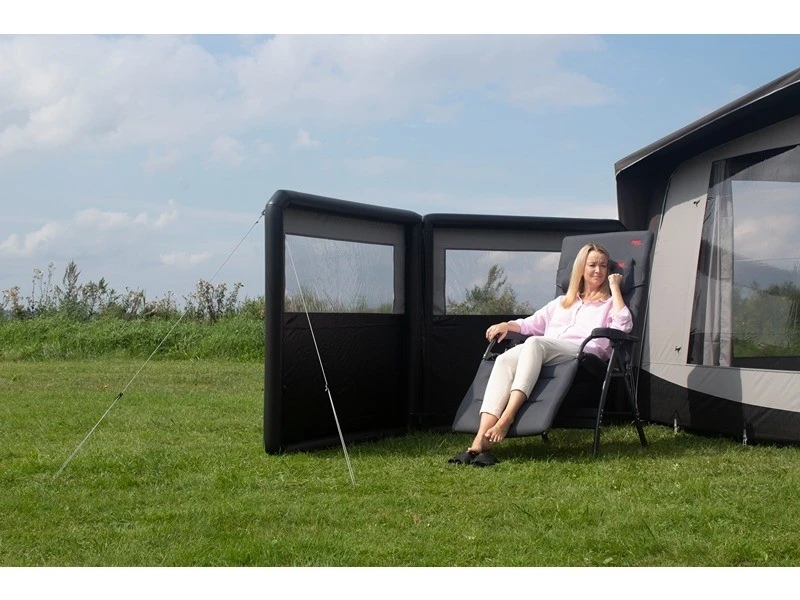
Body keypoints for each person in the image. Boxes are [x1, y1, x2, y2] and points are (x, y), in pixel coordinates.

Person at [456, 242, 632, 462]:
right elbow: (530, 324)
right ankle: (481, 438)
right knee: (504, 360)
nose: (598, 270)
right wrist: (507, 325)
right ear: (581, 268)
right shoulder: (561, 303)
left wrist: (615, 287)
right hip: (547, 350)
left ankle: (507, 417)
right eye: (592, 265)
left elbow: (623, 326)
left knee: (534, 343)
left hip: (583, 355)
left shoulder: (609, 304)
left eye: (604, 266)